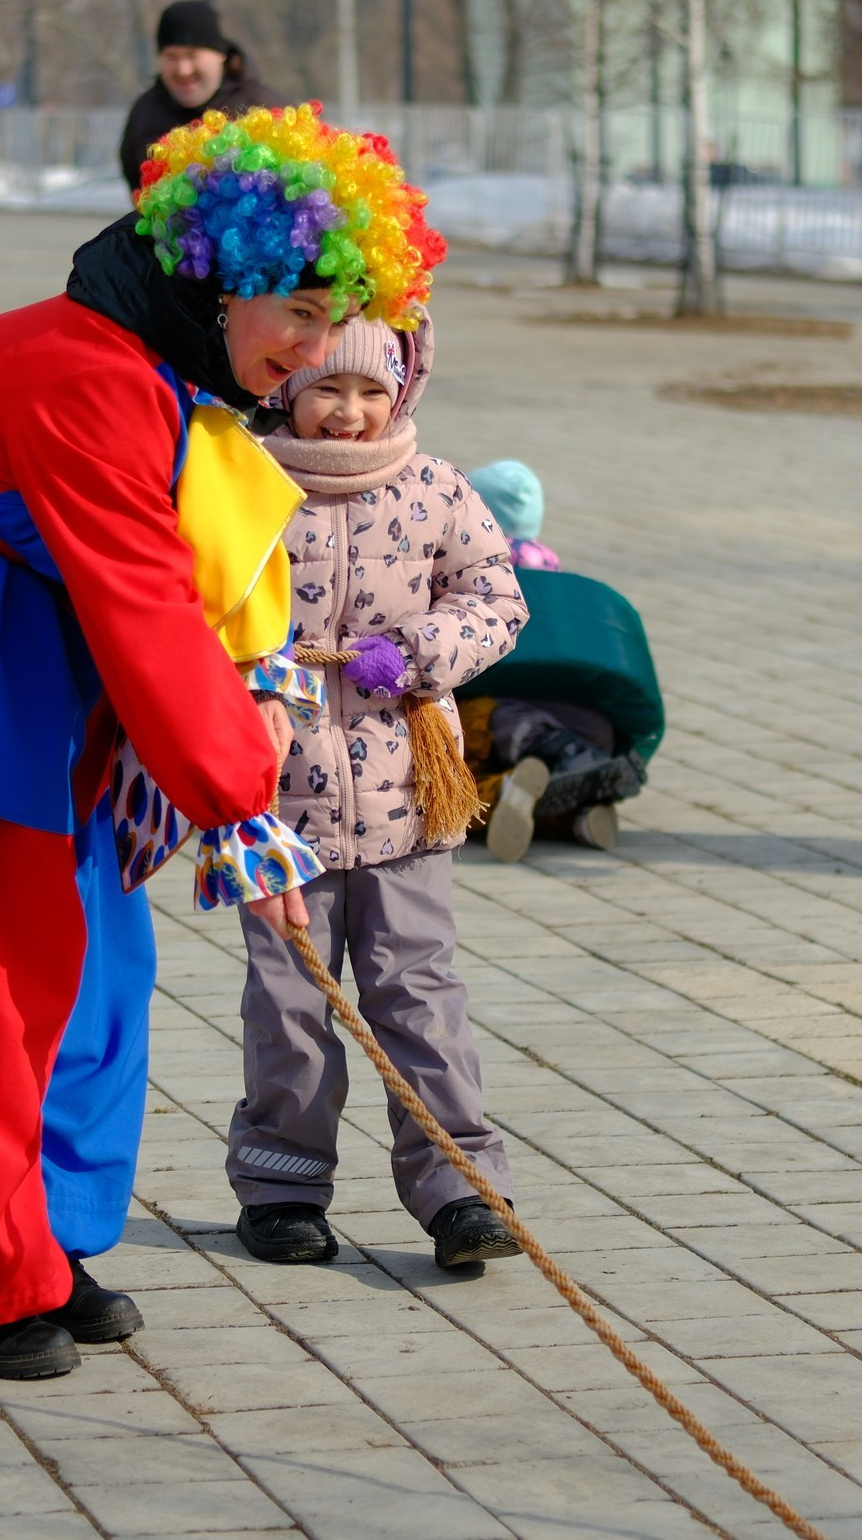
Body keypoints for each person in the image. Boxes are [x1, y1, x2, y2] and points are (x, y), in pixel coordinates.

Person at [0, 103, 446, 1382]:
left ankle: (40, 1241)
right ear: (221, 277)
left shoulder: (166, 371)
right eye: (298, 311)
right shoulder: (87, 376)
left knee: (91, 969)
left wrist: (233, 779)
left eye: (337, 316)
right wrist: (242, 807)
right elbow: (143, 606)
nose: (313, 347)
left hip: (10, 677)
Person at [236, 313, 526, 1273]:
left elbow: (497, 599)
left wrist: (414, 651)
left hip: (408, 792)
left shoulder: (436, 487)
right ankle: (282, 1185)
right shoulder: (246, 484)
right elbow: (198, 601)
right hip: (280, 799)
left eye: (372, 390)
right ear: (287, 385)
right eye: (328, 386)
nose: (349, 411)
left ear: (402, 390)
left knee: (418, 993)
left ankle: (460, 1187)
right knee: (290, 1001)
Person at [452, 462, 653, 859]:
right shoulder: (547, 563)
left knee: (455, 778)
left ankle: (522, 780)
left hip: (509, 718)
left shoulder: (477, 562)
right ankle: (578, 811)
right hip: (590, 720)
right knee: (529, 765)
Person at [116, 0, 281, 191]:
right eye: (171, 56)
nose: (183, 70)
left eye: (192, 55)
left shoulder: (265, 109)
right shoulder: (145, 113)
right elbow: (135, 186)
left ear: (221, 55)